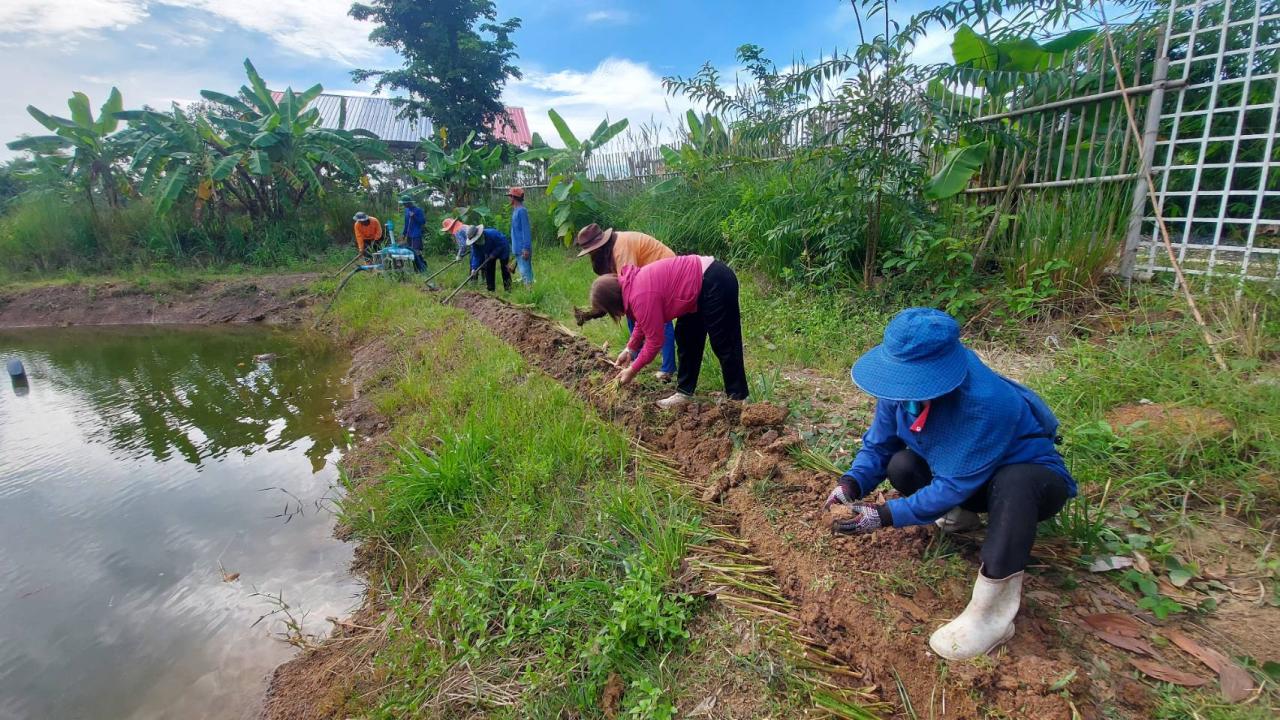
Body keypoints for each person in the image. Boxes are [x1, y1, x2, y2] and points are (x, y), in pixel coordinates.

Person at [820, 307, 1075, 662]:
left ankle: (991, 614)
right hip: (969, 480)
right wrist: (851, 483)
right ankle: (961, 519)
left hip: (1028, 480)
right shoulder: (898, 389)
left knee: (1015, 482)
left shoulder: (986, 403)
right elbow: (880, 445)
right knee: (903, 464)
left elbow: (953, 485)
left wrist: (883, 515)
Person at [582, 254, 748, 409]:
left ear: (611, 303)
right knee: (686, 338)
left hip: (714, 280)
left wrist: (632, 370)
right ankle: (684, 393)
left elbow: (655, 342)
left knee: (724, 342)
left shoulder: (640, 295)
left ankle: (738, 398)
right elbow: (645, 320)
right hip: (697, 287)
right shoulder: (632, 289)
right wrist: (630, 349)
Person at [574, 222, 677, 382]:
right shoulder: (611, 246)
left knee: (661, 320)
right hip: (650, 276)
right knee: (634, 314)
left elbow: (628, 286)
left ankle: (667, 369)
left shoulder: (621, 250)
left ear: (598, 245)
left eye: (590, 251)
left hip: (668, 271)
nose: (590, 254)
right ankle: (638, 356)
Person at [464, 224, 513, 292]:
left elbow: (501, 244)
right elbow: (476, 256)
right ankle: (490, 289)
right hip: (489, 253)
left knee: (505, 270)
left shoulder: (492, 234)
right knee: (489, 269)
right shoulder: (475, 244)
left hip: (503, 249)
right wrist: (474, 268)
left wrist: (494, 254)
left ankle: (508, 289)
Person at [508, 187, 533, 285]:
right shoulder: (516, 211)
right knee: (524, 272)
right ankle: (530, 291)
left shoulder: (522, 211)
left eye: (510, 196)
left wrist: (526, 248)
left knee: (525, 273)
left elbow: (526, 231)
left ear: (513, 198)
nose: (509, 199)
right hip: (518, 248)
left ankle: (531, 294)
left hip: (522, 249)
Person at [399, 194, 427, 272]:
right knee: (411, 252)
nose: (403, 205)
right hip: (409, 235)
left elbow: (422, 222)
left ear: (409, 203)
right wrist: (403, 234)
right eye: (403, 204)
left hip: (416, 234)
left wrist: (414, 216)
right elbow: (406, 223)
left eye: (404, 203)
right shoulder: (407, 210)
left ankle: (422, 268)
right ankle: (416, 268)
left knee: (416, 251)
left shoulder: (418, 210)